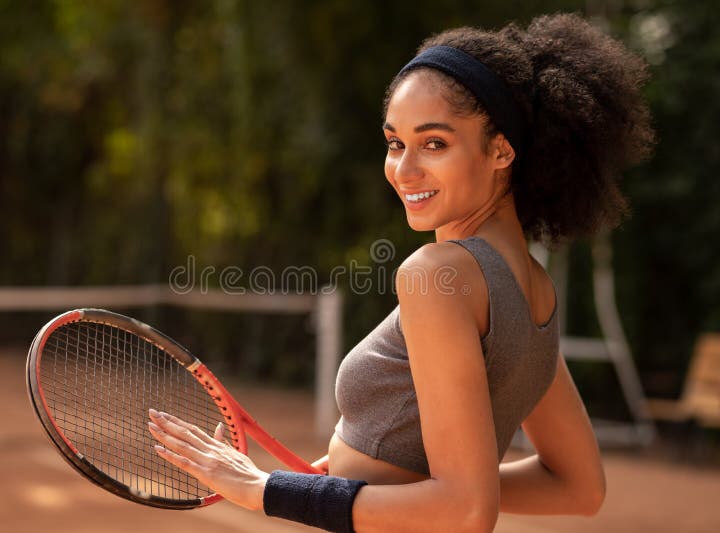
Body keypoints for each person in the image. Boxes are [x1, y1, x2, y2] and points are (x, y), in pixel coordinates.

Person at [147, 12, 654, 533]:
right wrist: (348, 489)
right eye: (395, 143)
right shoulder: (534, 288)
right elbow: (577, 486)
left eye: (435, 143)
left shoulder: (437, 274)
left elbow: (466, 510)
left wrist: (269, 491)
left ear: (501, 150)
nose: (405, 170)